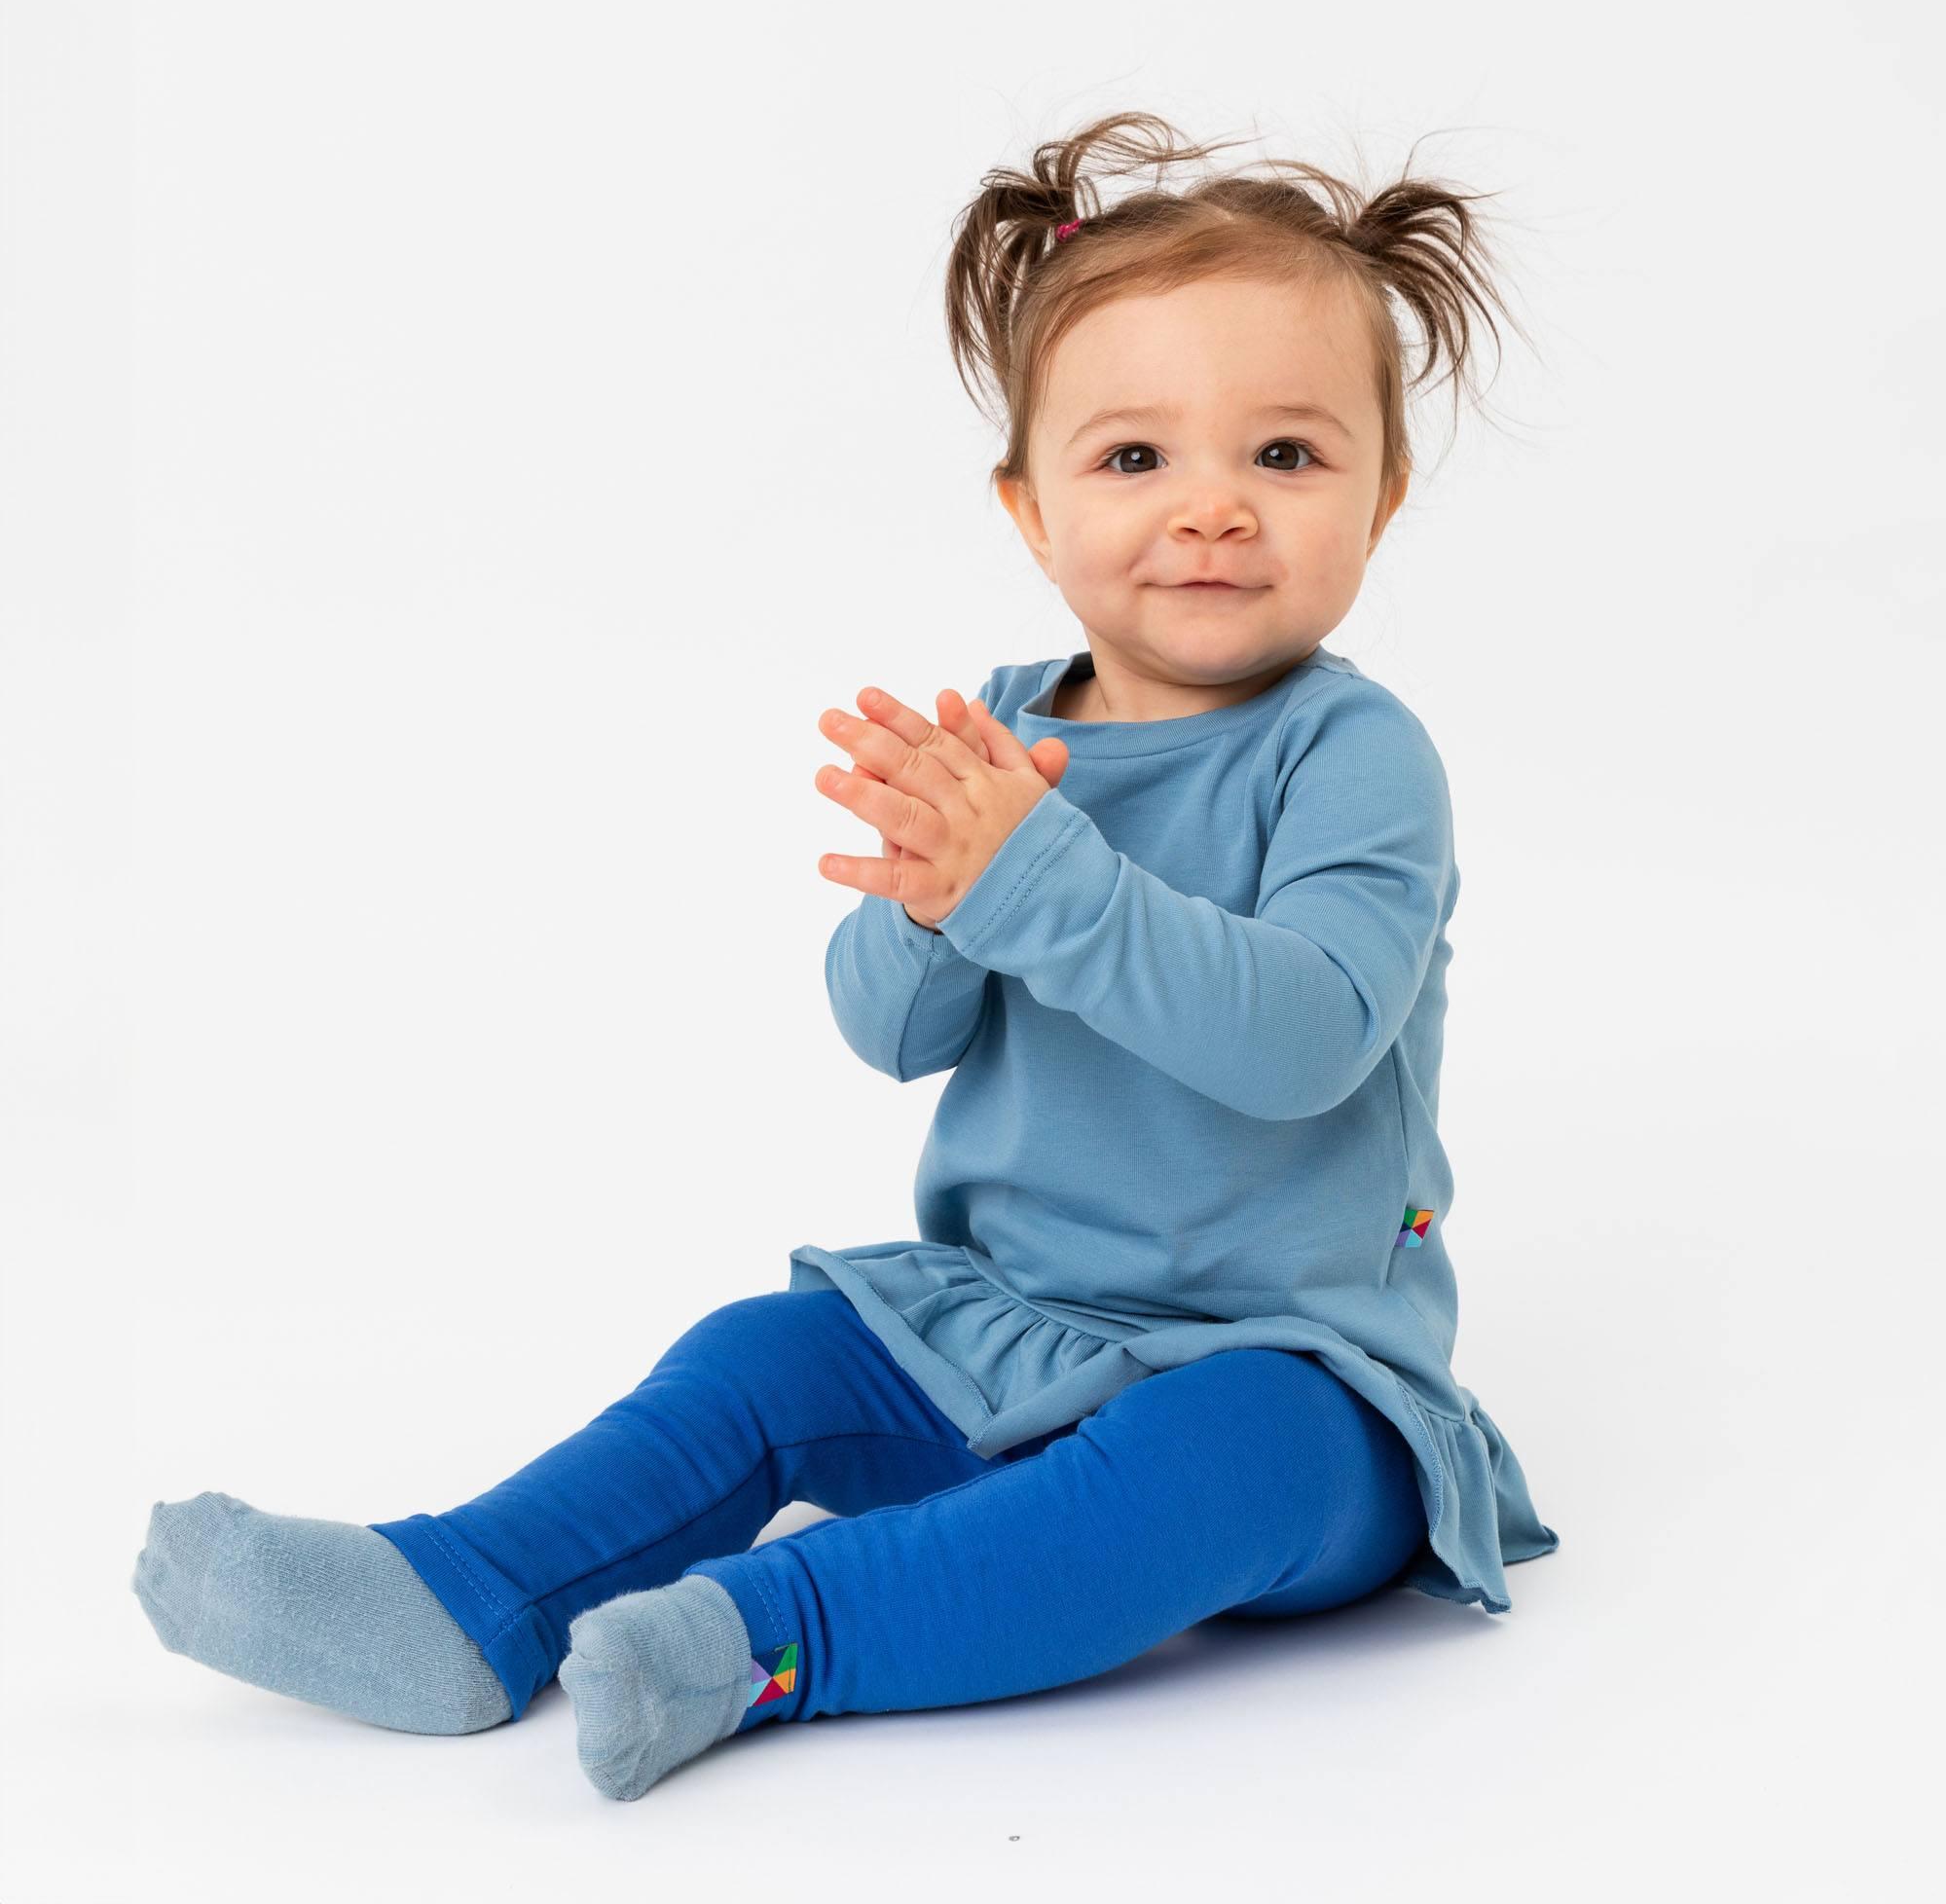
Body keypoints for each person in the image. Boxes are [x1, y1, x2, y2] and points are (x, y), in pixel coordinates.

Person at [133, 109, 1560, 1802]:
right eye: (1133, 461)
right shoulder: (1006, 736)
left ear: (1382, 498)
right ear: (1030, 513)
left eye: (1286, 457)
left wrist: (1032, 883)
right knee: (761, 1353)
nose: (1213, 514)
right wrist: (933, 901)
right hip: (1008, 1321)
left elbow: (1308, 1039)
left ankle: (764, 1637)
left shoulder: (1352, 757)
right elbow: (887, 1034)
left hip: (1291, 1378)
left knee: (1203, 1470)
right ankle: (461, 1592)